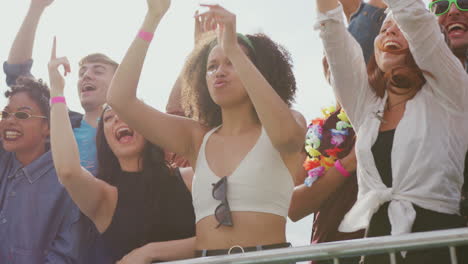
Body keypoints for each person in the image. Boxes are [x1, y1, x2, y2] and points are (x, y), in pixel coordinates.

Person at [107, 0, 306, 259]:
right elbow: (120, 99)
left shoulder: (289, 121)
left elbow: (287, 136)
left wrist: (232, 48)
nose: (219, 72)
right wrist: (153, 17)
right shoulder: (197, 138)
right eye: (211, 66)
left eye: (231, 63)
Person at [316, 0, 468, 263]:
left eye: (400, 28)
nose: (389, 32)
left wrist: (404, 15)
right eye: (384, 28)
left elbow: (415, 18)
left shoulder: (452, 94)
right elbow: (334, 38)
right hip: (378, 247)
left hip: (440, 246)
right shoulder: (367, 106)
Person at [48, 39, 196, 264]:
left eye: (126, 114)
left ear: (147, 125)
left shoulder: (189, 179)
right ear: (104, 138)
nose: (118, 120)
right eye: (108, 118)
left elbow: (222, 237)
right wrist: (57, 90)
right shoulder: (105, 197)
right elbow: (68, 170)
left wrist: (150, 252)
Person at [0, 77, 84, 263]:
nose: (9, 121)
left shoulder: (67, 182)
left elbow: (65, 255)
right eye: (5, 114)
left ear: (47, 126)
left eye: (22, 115)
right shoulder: (4, 160)